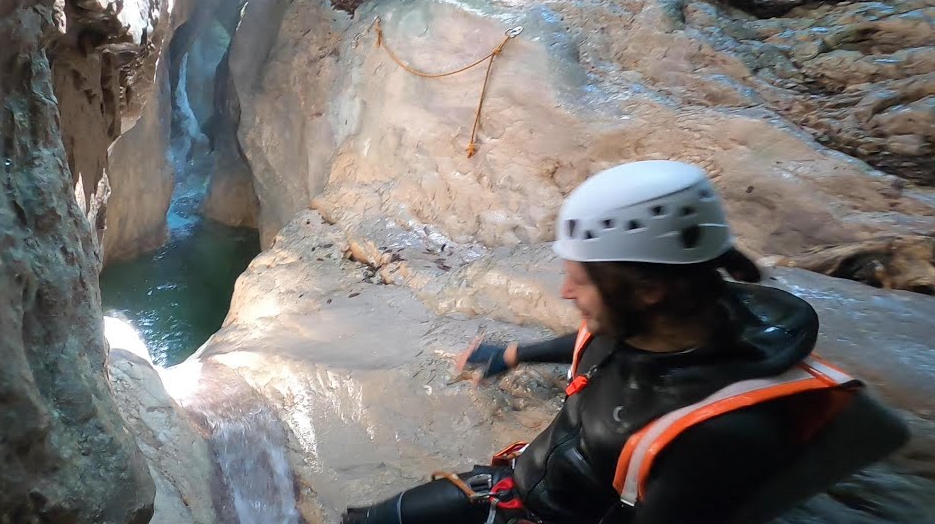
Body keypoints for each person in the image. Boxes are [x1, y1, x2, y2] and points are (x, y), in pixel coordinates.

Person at [343, 160, 904, 524]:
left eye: (580, 281)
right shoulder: (658, 319)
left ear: (651, 289)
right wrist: (513, 355)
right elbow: (590, 336)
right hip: (511, 487)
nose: (565, 291)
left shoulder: (718, 432)